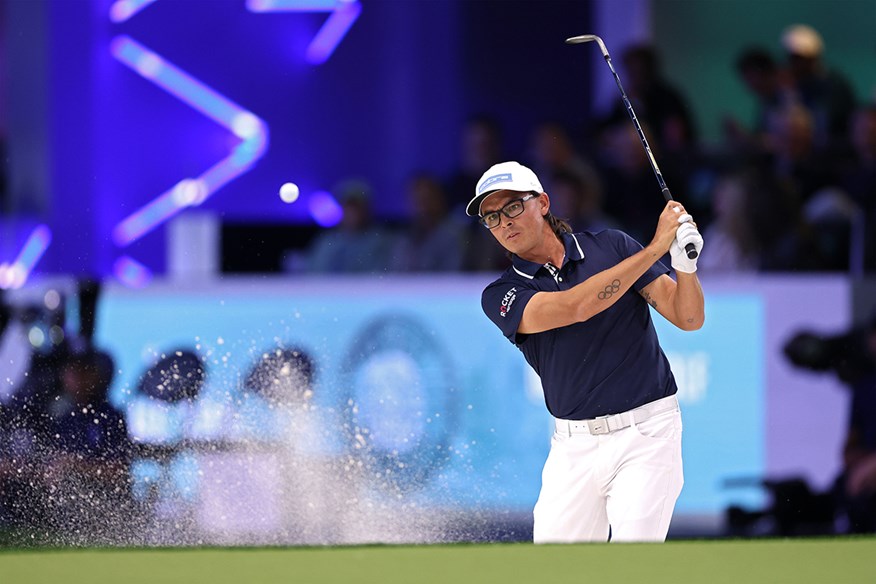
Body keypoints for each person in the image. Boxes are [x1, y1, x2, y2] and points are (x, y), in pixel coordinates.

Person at [466, 161, 705, 543]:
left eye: (512, 207)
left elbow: (688, 317)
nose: (504, 223)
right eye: (491, 218)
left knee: (634, 564)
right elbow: (576, 308)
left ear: (542, 203)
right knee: (557, 571)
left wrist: (684, 265)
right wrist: (656, 247)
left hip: (648, 432)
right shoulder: (501, 294)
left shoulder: (612, 246)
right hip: (573, 446)